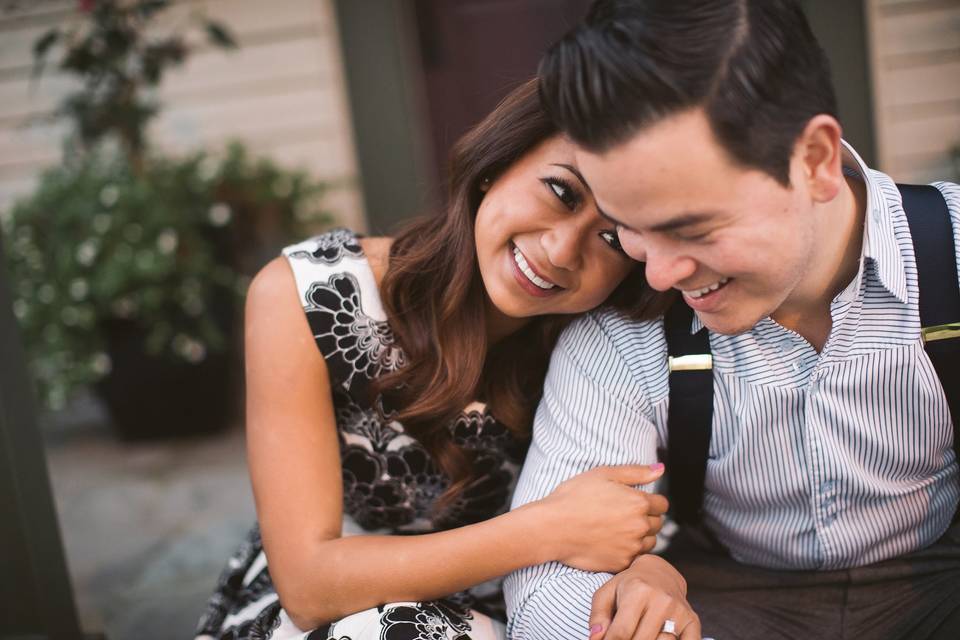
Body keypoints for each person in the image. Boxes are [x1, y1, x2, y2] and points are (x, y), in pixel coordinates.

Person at [504, 2, 960, 639]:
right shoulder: (618, 335)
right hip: (725, 603)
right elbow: (546, 586)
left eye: (691, 229)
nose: (657, 274)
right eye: (627, 227)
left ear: (815, 160)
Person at [193, 78, 673, 640]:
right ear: (498, 162)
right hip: (331, 611)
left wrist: (655, 568)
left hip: (510, 608)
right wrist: (544, 530)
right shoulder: (308, 296)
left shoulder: (604, 346)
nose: (562, 251)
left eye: (613, 239)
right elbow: (308, 586)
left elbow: (625, 525)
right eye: (561, 193)